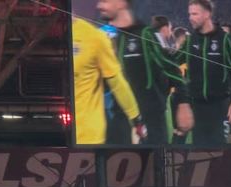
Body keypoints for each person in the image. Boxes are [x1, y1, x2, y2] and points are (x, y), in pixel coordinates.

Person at [97, 0, 186, 145]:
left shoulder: (147, 34)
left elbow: (172, 69)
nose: (99, 6)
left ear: (121, 3)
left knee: (155, 165)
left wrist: (183, 103)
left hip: (151, 122)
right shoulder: (110, 39)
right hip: (121, 120)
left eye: (105, 1)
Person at [71, 16, 145, 145]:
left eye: (113, 40)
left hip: (88, 136)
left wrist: (136, 119)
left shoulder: (93, 37)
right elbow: (117, 84)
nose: (112, 44)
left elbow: (118, 84)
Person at [181, 0, 231, 146]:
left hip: (219, 106)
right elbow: (172, 61)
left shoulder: (224, 39)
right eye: (189, 14)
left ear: (207, 14)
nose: (190, 17)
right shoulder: (190, 40)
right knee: (199, 152)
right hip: (196, 107)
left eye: (195, 13)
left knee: (220, 150)